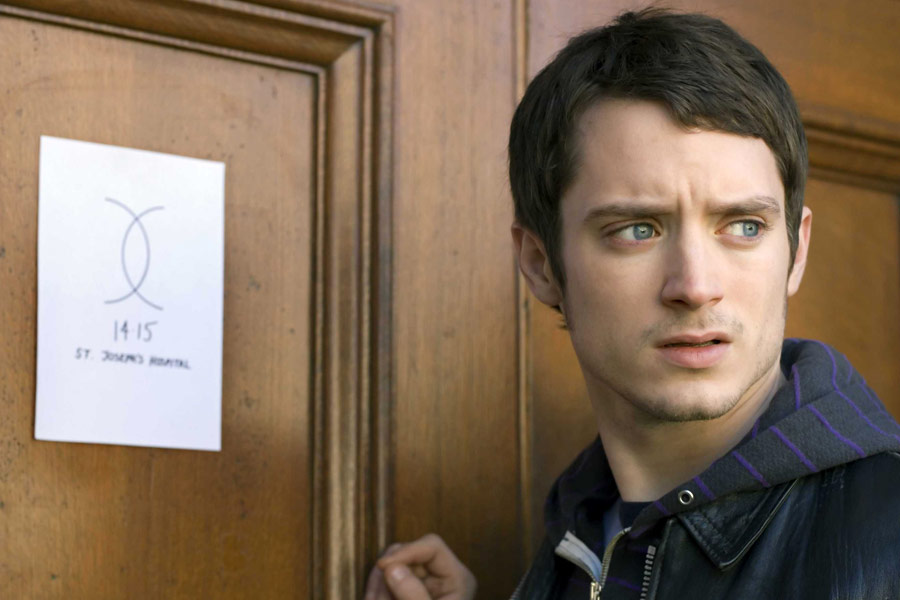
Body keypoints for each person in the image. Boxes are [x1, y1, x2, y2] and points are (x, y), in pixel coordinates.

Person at [364, 8, 900, 599]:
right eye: (638, 230)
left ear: (796, 252)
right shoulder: (579, 536)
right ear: (542, 265)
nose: (695, 286)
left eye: (744, 226)